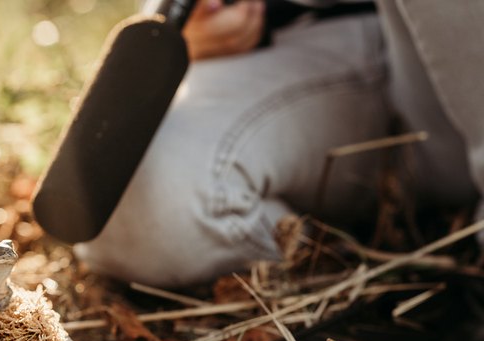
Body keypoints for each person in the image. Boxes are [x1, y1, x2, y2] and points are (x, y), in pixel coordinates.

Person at [74, 0, 484, 288]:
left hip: (455, 43)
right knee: (132, 202)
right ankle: (336, 259)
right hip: (304, 39)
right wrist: (186, 22)